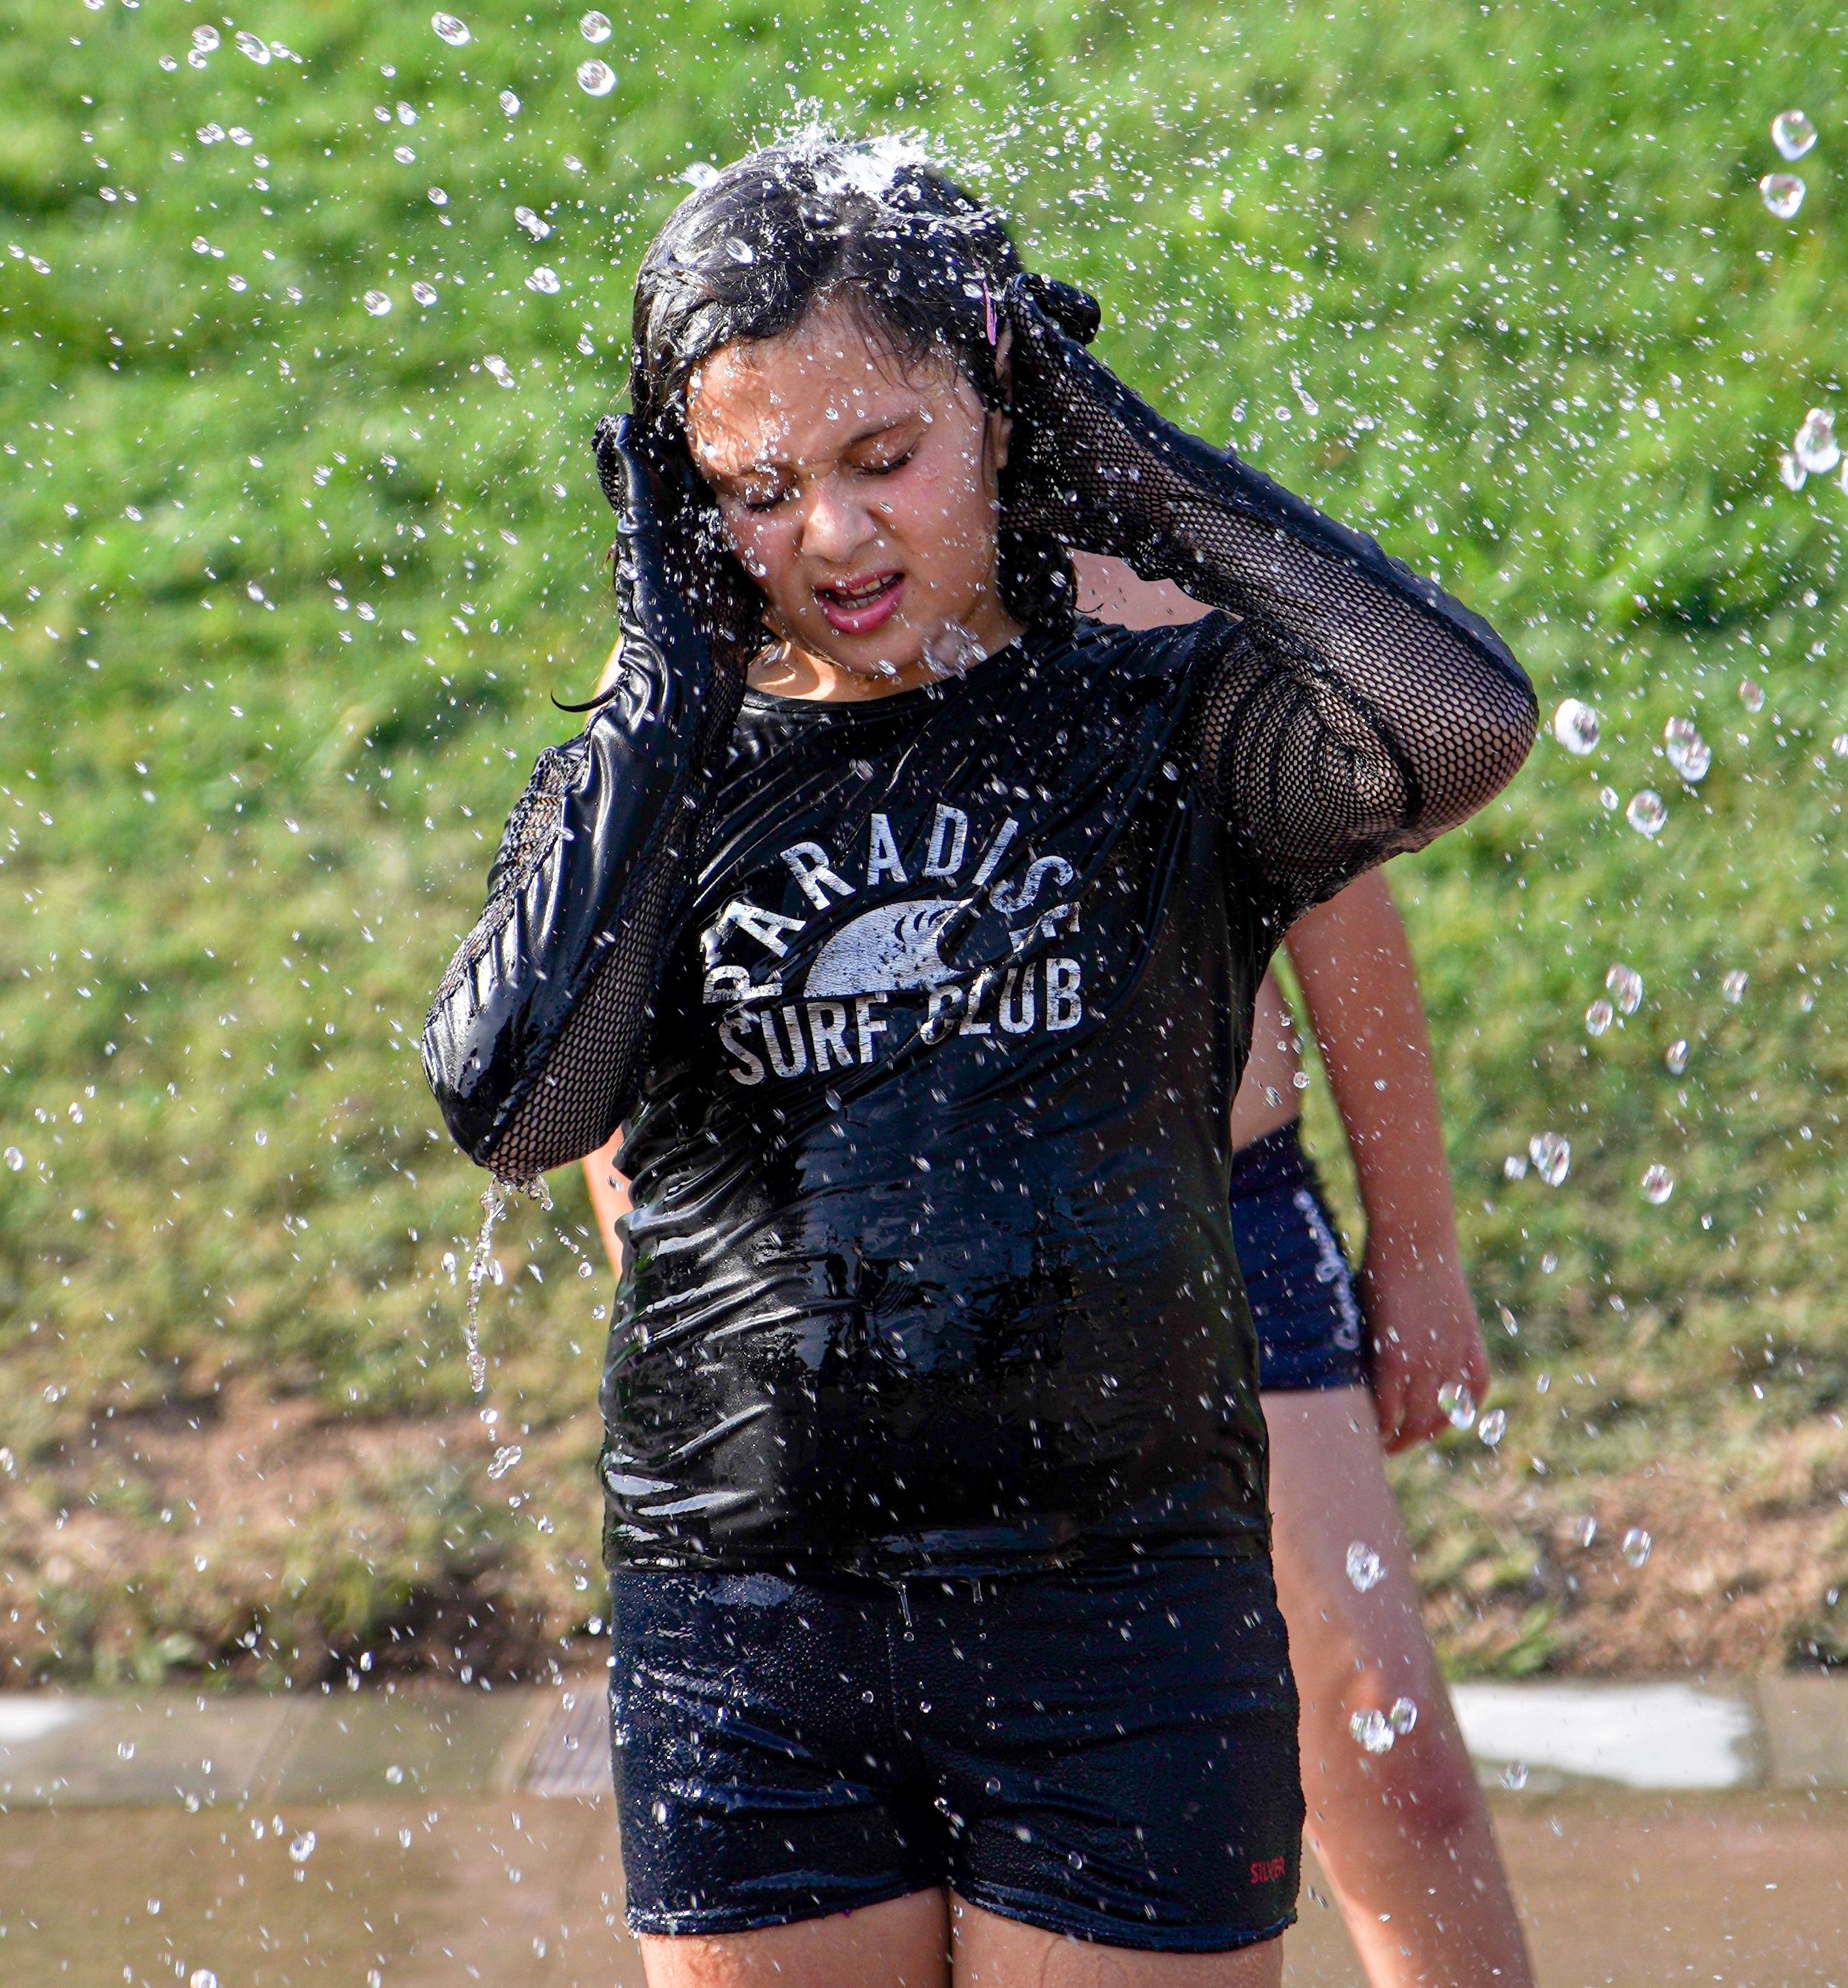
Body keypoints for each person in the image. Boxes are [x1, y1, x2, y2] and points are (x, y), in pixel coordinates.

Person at [424, 136, 1536, 1987]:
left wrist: (1133, 470)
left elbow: (1438, 750)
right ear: (688, 497)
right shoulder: (669, 752)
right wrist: (649, 699)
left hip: (1161, 1361)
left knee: (1387, 1751)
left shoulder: (1160, 673)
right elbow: (539, 1103)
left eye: (884, 460)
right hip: (783, 1556)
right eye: (766, 487)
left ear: (1000, 397)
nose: (839, 535)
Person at [578, 573, 1538, 1988]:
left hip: (1206, 1235)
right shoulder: (709, 631)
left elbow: (1341, 918)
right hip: (855, 1297)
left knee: (1392, 1755)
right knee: (932, 1829)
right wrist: (681, 1301)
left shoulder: (1148, 584)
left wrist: (1420, 1249)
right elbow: (611, 1005)